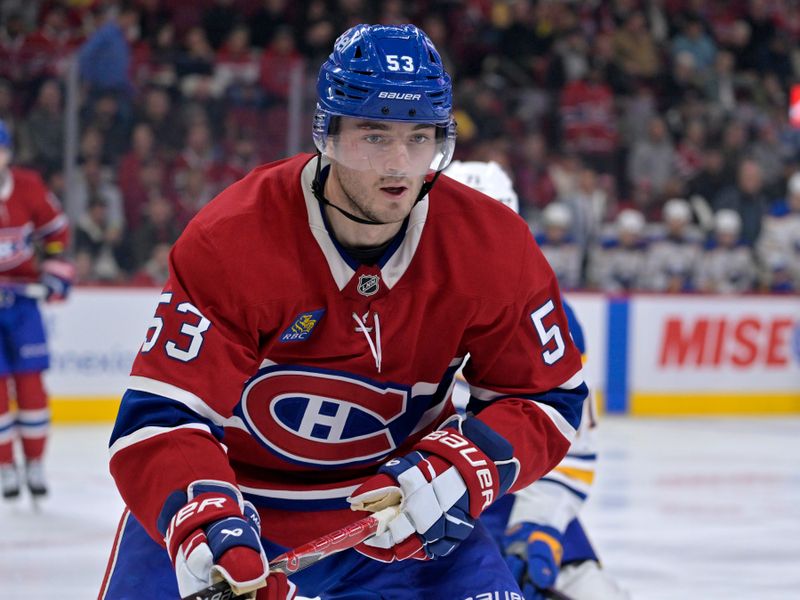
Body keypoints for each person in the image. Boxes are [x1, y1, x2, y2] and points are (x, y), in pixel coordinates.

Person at [100, 24, 587, 600]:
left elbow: (544, 397)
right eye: (374, 136)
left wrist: (461, 466)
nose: (401, 165)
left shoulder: (492, 245)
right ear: (326, 135)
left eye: (420, 136)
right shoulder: (234, 239)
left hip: (403, 514)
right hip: (237, 505)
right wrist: (206, 523)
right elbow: (161, 417)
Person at [446, 159, 629, 599]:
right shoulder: (389, 305)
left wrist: (538, 526)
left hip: (515, 502)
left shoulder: (552, 318)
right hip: (425, 512)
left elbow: (569, 439)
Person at [0, 119, 74, 500]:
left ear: (9, 152)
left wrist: (54, 271)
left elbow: (56, 232)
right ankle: (6, 466)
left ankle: (34, 462)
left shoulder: (28, 186)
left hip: (24, 306)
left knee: (31, 387)